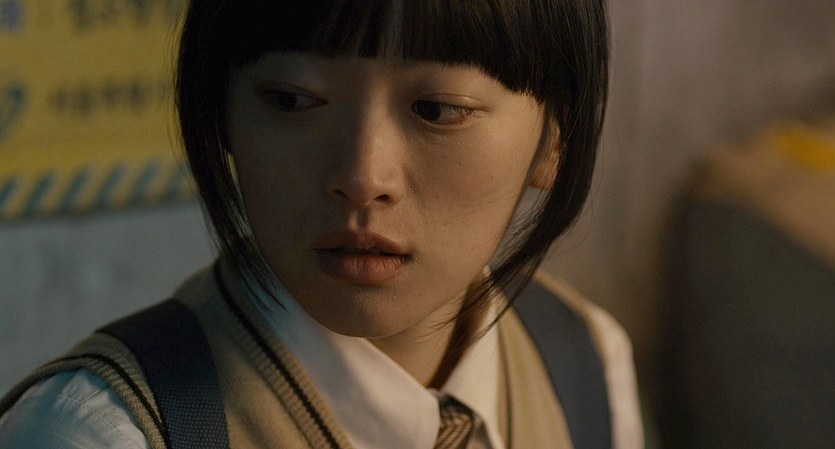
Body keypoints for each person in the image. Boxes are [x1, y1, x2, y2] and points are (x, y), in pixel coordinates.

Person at [0, 1, 643, 448]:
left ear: (554, 139)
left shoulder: (582, 363)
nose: (363, 177)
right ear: (221, 114)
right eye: (292, 100)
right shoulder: (97, 434)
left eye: (438, 109)